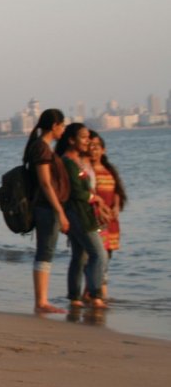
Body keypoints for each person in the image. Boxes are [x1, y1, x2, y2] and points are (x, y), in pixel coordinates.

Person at [22, 109, 70, 314]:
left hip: (46, 207)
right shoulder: (41, 149)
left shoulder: (41, 147)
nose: (64, 129)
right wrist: (60, 211)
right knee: (45, 252)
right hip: (46, 207)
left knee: (46, 251)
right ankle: (41, 301)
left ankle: (42, 301)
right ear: (54, 126)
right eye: (63, 125)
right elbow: (45, 183)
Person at [56, 124, 108, 309]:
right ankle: (95, 295)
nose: (87, 141)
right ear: (71, 140)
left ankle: (75, 297)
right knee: (99, 254)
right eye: (84, 137)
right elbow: (76, 192)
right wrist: (96, 198)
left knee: (79, 256)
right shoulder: (68, 163)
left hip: (80, 213)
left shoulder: (75, 161)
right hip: (79, 214)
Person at [88, 130, 126, 299]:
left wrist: (117, 206)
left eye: (97, 147)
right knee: (96, 256)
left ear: (103, 150)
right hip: (96, 219)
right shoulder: (88, 171)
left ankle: (95, 291)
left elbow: (117, 191)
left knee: (106, 256)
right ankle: (95, 292)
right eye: (91, 146)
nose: (93, 150)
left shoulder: (109, 170)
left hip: (111, 220)